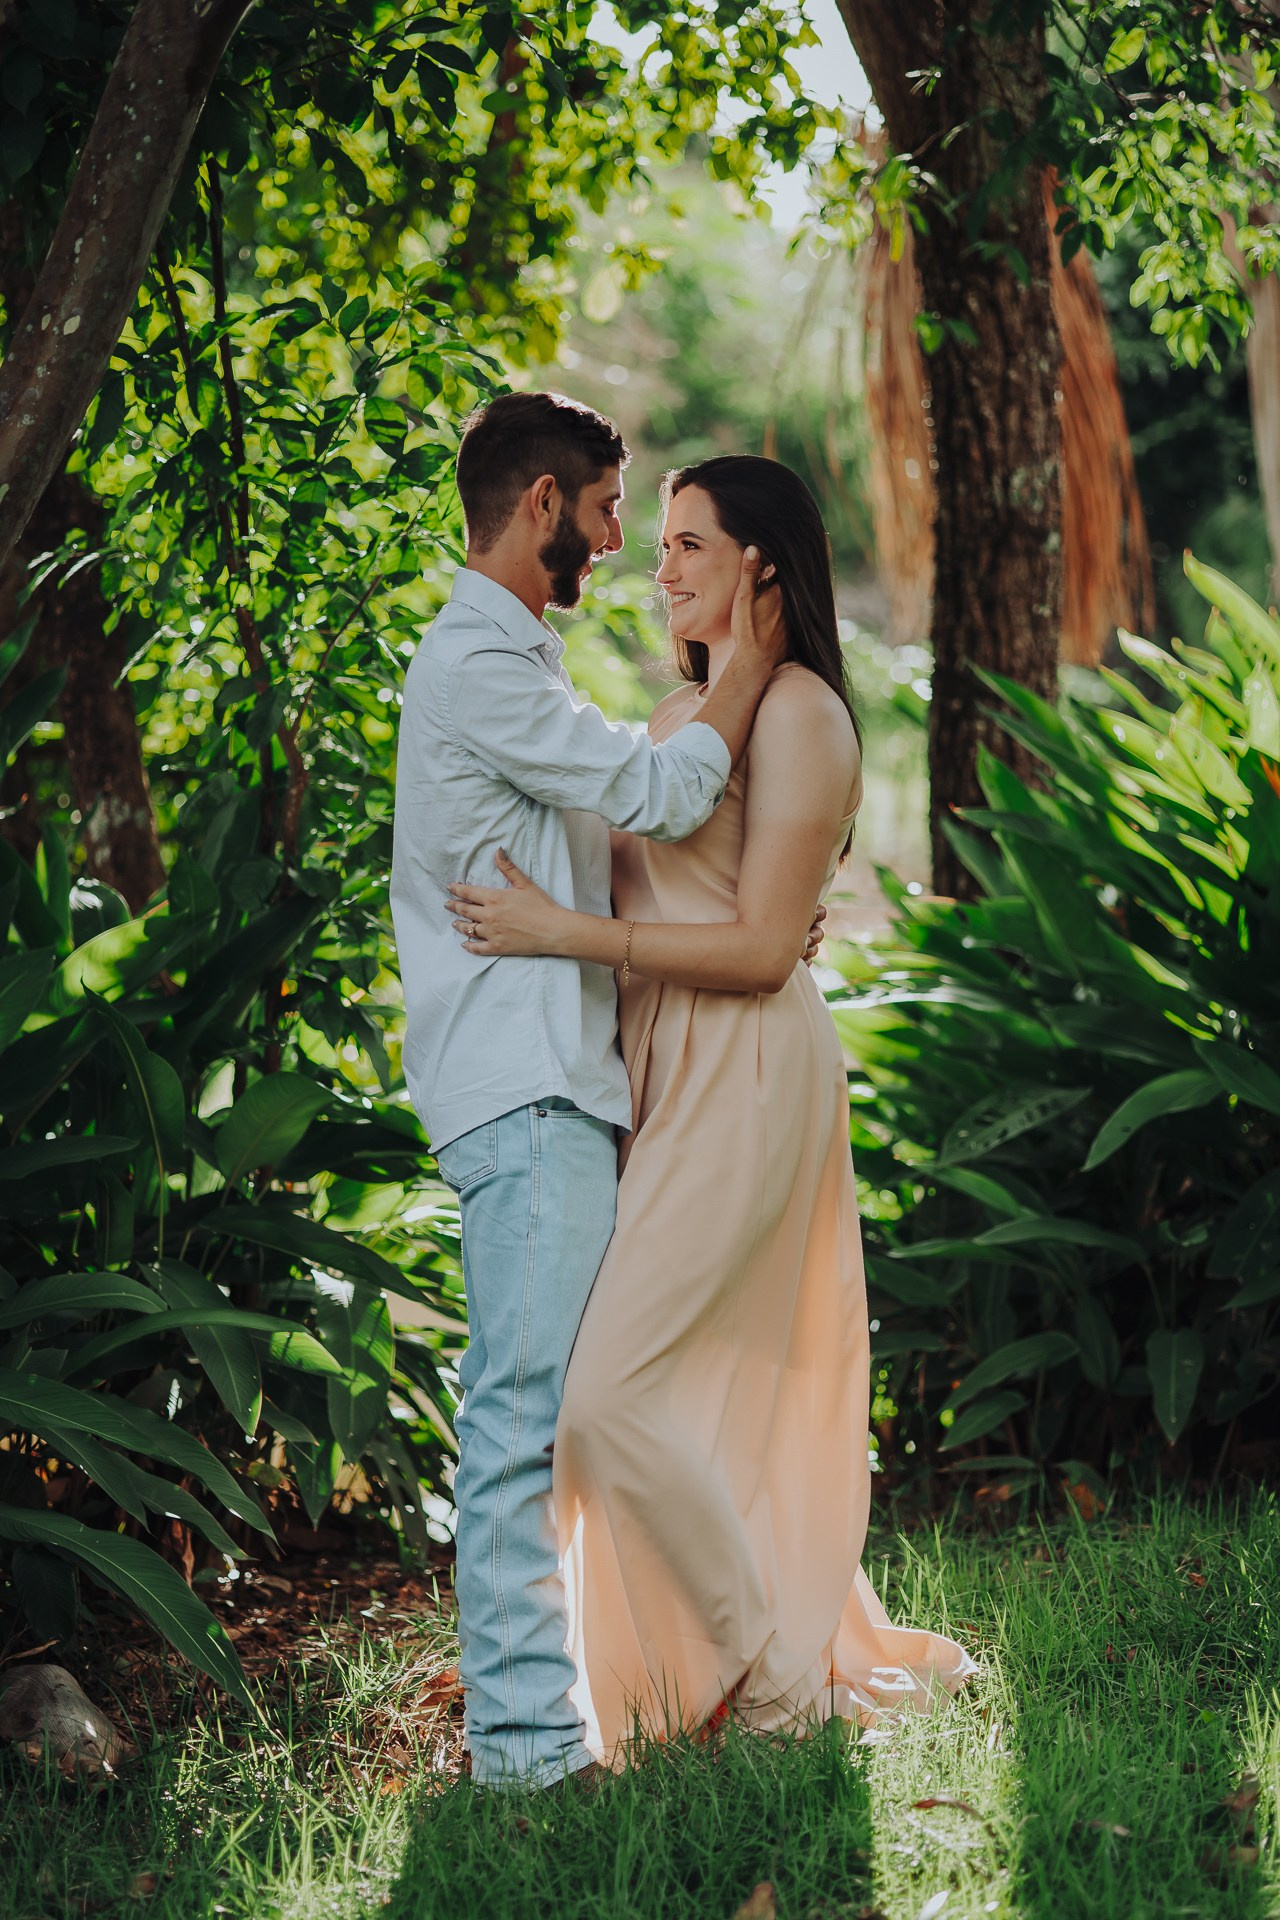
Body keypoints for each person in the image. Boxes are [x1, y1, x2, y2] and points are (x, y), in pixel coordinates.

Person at [446, 455, 976, 1761]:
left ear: (762, 564)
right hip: (659, 1075)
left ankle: (776, 1688)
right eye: (662, 539)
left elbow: (757, 948)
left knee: (607, 1402)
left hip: (743, 1070)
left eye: (689, 543)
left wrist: (557, 929)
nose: (660, 564)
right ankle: (710, 1674)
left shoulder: (801, 716)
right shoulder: (697, 712)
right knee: (634, 1399)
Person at [390, 395, 796, 1789]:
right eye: (613, 509)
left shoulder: (517, 660)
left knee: (558, 1409)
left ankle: (595, 1700)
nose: (625, 543)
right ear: (546, 502)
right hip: (523, 1086)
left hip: (555, 1082)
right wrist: (750, 655)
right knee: (520, 1417)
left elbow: (614, 851)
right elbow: (663, 791)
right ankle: (522, 1752)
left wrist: (754, 913)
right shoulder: (482, 667)